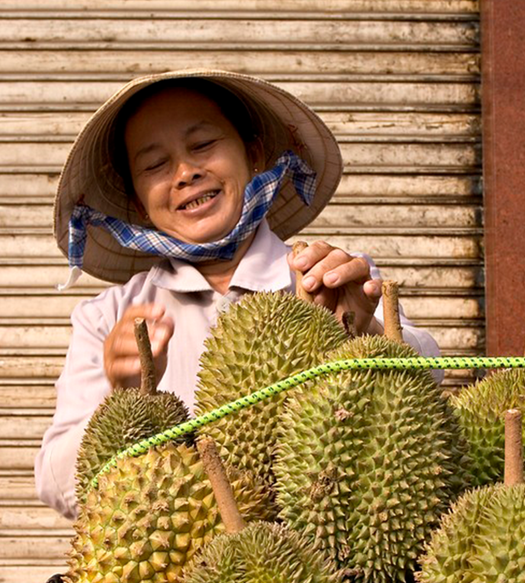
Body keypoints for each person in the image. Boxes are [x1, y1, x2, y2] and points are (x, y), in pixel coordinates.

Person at [35, 68, 441, 521]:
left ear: (253, 152)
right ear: (136, 200)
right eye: (155, 165)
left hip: (319, 561)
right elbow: (56, 483)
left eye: (203, 145)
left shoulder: (326, 277)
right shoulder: (108, 317)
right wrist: (121, 398)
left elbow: (433, 387)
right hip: (186, 570)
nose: (186, 172)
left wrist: (365, 328)